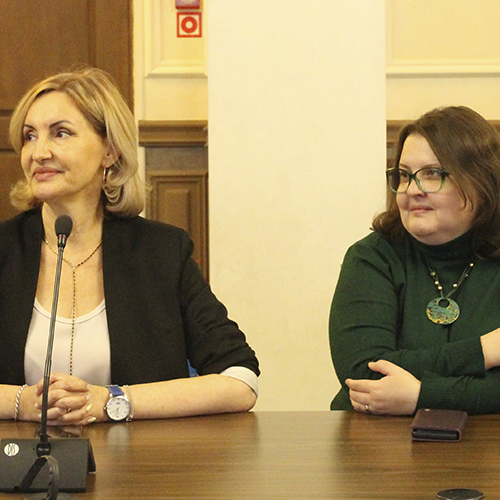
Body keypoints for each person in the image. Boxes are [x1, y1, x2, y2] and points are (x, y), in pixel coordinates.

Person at [0, 67, 259, 426]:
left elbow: (240, 380)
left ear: (109, 150)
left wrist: (111, 401)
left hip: (136, 458)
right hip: (18, 458)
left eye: (61, 133)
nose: (38, 152)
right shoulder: (4, 249)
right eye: (30, 136)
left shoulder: (162, 252)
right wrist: (19, 403)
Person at [329, 105, 500, 416]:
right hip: (375, 440)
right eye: (405, 175)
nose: (412, 190)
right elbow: (365, 375)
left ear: (481, 182)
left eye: (432, 174)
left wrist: (422, 395)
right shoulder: (371, 258)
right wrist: (486, 350)